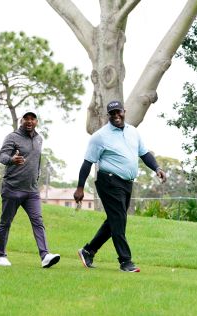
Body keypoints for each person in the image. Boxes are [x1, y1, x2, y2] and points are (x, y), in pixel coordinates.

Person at [73, 100, 167, 273]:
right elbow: (87, 163)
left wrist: (157, 168)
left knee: (114, 220)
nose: (116, 115)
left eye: (119, 112)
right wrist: (80, 188)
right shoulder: (100, 136)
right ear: (107, 115)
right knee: (119, 220)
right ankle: (125, 261)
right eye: (112, 113)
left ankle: (88, 251)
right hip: (108, 181)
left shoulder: (133, 132)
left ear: (124, 111)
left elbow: (144, 154)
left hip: (126, 183)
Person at [0, 110, 60, 268]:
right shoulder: (12, 137)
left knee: (38, 221)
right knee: (6, 222)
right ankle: (0, 255)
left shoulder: (39, 139)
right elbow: (2, 156)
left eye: (33, 119)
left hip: (31, 191)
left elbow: (36, 161)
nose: (29, 121)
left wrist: (36, 177)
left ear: (36, 121)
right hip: (12, 188)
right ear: (21, 121)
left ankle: (45, 255)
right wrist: (12, 159)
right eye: (26, 119)